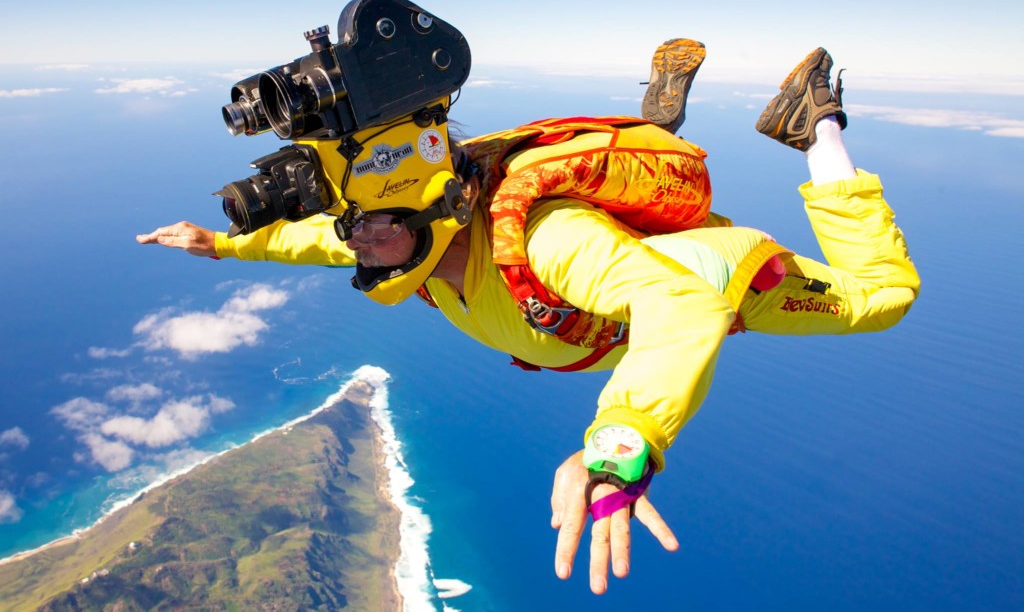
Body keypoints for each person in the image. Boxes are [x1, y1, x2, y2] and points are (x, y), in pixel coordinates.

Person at [138, 40, 920, 595]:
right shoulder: (405, 236)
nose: (359, 243)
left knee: (884, 295)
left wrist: (620, 444)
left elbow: (682, 304)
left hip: (706, 278)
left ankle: (812, 120)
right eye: (353, 223)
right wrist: (225, 243)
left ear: (438, 208)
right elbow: (321, 238)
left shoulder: (547, 241)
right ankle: (655, 124)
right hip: (595, 301)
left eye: (372, 225)